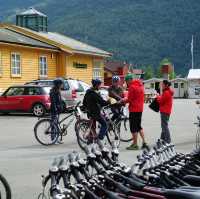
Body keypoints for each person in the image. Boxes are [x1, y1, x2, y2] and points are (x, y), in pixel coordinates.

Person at [123, 73, 148, 150]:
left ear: (129, 80)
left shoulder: (132, 87)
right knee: (138, 126)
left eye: (126, 81)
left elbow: (129, 99)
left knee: (133, 128)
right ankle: (144, 142)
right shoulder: (140, 86)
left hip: (133, 109)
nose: (126, 83)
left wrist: (123, 101)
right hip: (140, 109)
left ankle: (135, 144)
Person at [83, 79, 110, 146]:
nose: (100, 86)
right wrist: (108, 102)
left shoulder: (88, 92)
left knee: (93, 127)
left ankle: (90, 141)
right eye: (99, 85)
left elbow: (84, 103)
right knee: (104, 124)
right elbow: (102, 102)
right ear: (96, 85)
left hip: (89, 113)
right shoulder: (94, 93)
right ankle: (99, 139)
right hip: (95, 113)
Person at [50, 78, 64, 142]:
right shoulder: (53, 91)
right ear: (57, 84)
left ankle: (56, 138)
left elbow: (59, 100)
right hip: (54, 109)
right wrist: (55, 108)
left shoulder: (58, 90)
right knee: (53, 124)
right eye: (61, 84)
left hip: (57, 109)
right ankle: (53, 139)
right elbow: (53, 101)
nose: (62, 85)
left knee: (57, 124)